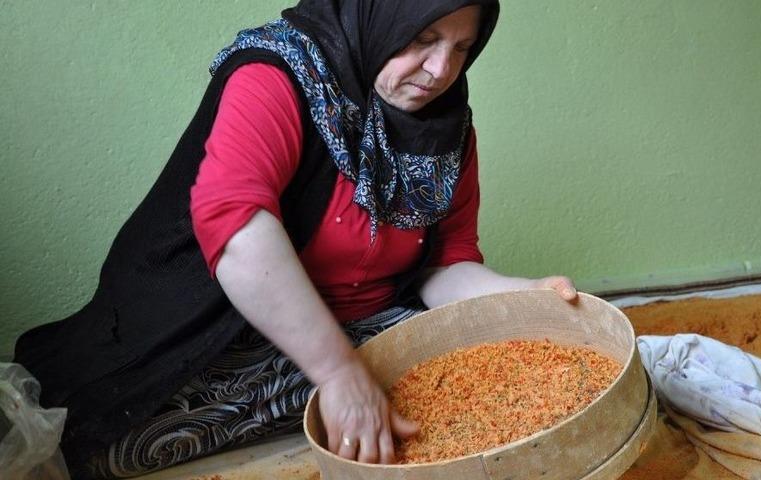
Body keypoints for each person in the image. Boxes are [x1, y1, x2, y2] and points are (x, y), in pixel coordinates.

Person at [14, 1, 578, 478]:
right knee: (114, 444)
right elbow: (236, 224)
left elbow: (445, 264)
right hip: (224, 326)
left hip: (367, 328)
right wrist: (338, 373)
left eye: (462, 48)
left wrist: (520, 296)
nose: (440, 70)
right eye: (422, 39)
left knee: (481, 371)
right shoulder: (278, 74)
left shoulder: (445, 127)